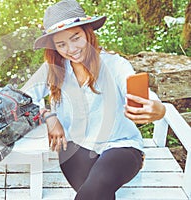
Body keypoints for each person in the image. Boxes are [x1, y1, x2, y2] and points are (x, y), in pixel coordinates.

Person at [21, 0, 166, 199]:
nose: (71, 49)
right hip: (73, 148)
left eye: (76, 38)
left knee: (98, 184)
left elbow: (136, 91)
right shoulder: (54, 69)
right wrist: (48, 116)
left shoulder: (115, 64)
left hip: (121, 146)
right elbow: (21, 99)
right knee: (95, 193)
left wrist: (158, 109)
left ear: (88, 32)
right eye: (61, 44)